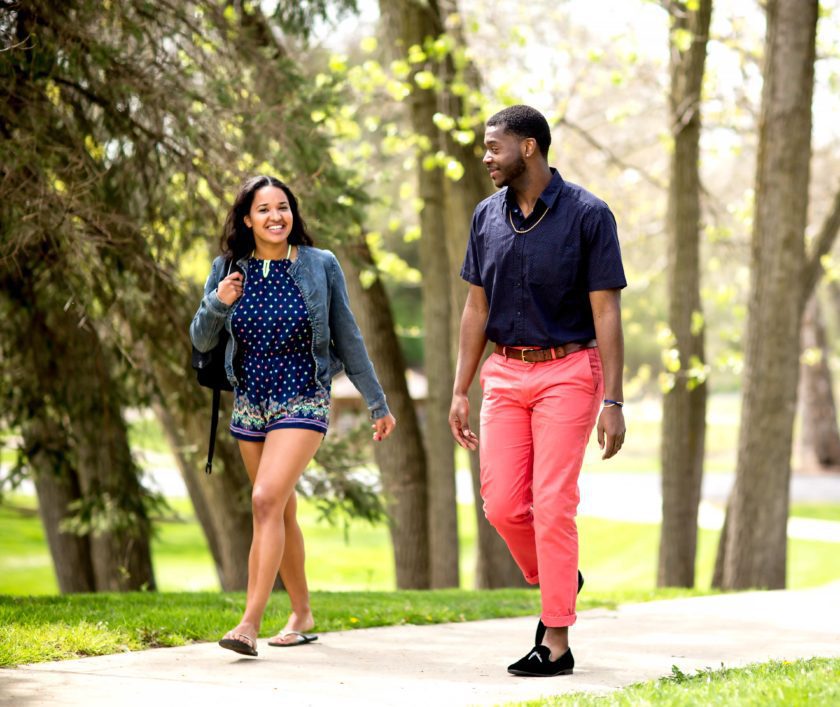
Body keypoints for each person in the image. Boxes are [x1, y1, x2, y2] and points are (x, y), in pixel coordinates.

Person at [448, 105, 626, 677]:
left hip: (569, 370)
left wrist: (614, 400)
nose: (486, 156)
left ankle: (556, 641)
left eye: (493, 146)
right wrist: (459, 389)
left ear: (528, 147)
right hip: (504, 372)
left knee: (553, 504)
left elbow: (608, 312)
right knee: (501, 505)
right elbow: (476, 307)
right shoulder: (485, 216)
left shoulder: (589, 215)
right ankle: (558, 575)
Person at [190, 175, 396, 657]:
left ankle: (248, 624)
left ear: (292, 213)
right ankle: (302, 613)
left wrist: (377, 401)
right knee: (280, 509)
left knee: (264, 500)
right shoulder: (227, 269)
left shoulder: (319, 264)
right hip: (251, 403)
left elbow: (348, 335)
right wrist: (220, 302)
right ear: (247, 218)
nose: (275, 217)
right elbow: (201, 339)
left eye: (282, 207)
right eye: (263, 209)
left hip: (303, 396)